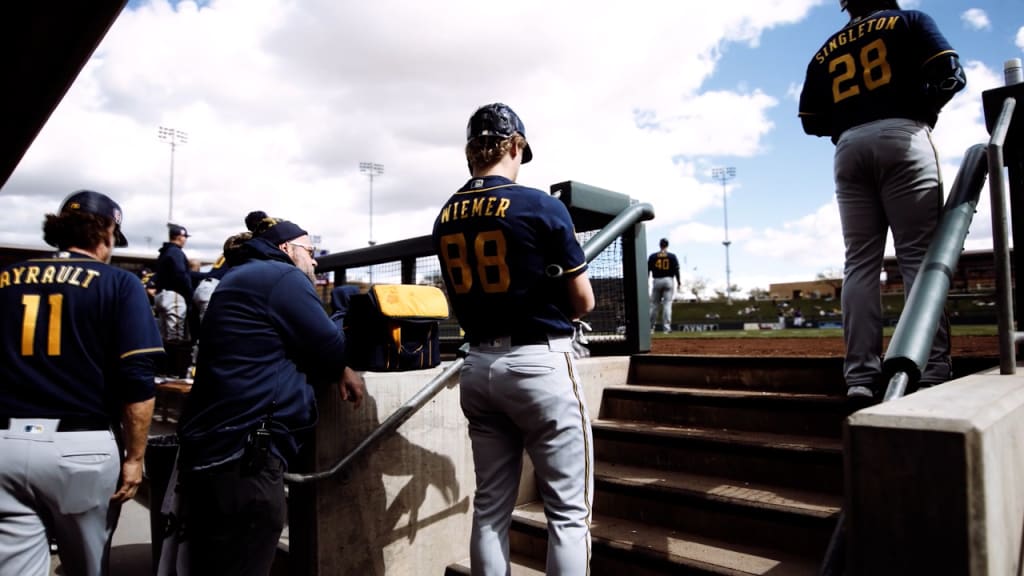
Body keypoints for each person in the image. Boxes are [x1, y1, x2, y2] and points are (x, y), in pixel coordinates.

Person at [432, 102, 596, 576]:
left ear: (471, 151)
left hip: (477, 368)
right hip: (538, 362)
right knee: (567, 514)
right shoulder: (541, 205)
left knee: (489, 508)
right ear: (516, 145)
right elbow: (583, 301)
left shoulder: (446, 214)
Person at [176, 214, 366, 576]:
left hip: (215, 449)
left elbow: (284, 344)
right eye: (310, 251)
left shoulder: (241, 275)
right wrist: (344, 311)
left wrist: (334, 366)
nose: (315, 260)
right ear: (286, 249)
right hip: (245, 456)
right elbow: (333, 348)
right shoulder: (282, 276)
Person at [798, 0, 965, 399]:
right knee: (920, 258)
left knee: (859, 263)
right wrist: (916, 106)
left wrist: (855, 116)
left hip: (849, 148)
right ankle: (932, 367)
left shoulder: (827, 48)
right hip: (903, 135)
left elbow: (810, 121)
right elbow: (951, 75)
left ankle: (859, 377)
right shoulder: (910, 20)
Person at [0, 190, 163, 575]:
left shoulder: (5, 278)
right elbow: (137, 380)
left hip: (5, 440)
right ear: (106, 231)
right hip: (80, 446)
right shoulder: (120, 284)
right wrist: (135, 458)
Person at [154, 223, 193, 376]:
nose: (185, 240)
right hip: (174, 295)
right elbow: (180, 275)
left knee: (165, 336)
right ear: (179, 236)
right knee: (175, 336)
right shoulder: (175, 252)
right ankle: (172, 371)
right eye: (184, 237)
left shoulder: (164, 251)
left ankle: (162, 370)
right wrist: (189, 293)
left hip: (162, 295)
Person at [647, 238, 680, 334]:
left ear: (660, 245)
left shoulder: (653, 256)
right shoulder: (672, 256)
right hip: (669, 280)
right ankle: (666, 328)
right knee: (667, 304)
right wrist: (679, 281)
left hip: (657, 280)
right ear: (667, 245)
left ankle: (650, 328)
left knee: (654, 305)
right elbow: (676, 270)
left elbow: (647, 270)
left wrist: (646, 280)